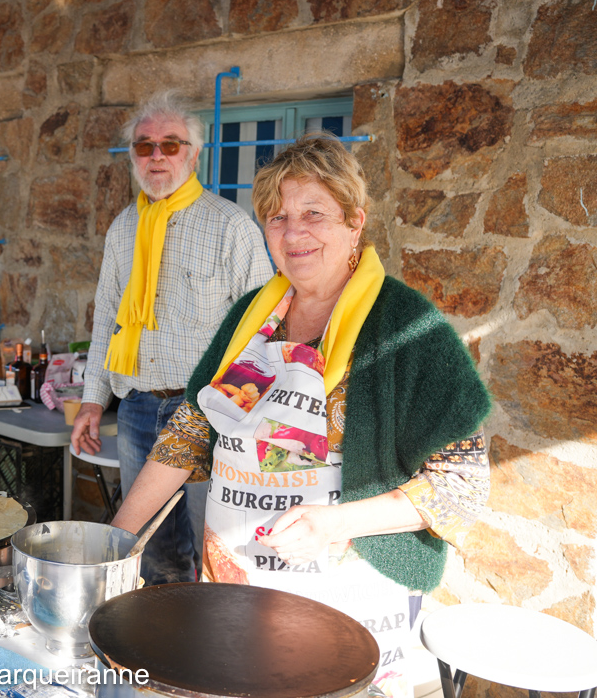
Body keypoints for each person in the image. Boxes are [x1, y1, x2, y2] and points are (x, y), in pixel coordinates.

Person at [111, 132, 491, 698]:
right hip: (235, 582)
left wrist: (334, 524)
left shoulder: (407, 326)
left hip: (347, 594)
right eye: (277, 217)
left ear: (355, 223)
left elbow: (462, 484)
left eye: (314, 213)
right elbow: (191, 432)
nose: (293, 234)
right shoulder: (254, 315)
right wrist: (113, 543)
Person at [71, 90, 273, 585]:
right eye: (144, 146)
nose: (157, 155)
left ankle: (208, 631)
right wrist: (93, 400)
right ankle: (157, 630)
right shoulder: (124, 228)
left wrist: (244, 417)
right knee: (149, 548)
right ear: (133, 156)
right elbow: (107, 320)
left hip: (209, 411)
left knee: (213, 544)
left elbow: (264, 329)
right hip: (138, 409)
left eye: (170, 144)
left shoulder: (231, 226)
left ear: (194, 154)